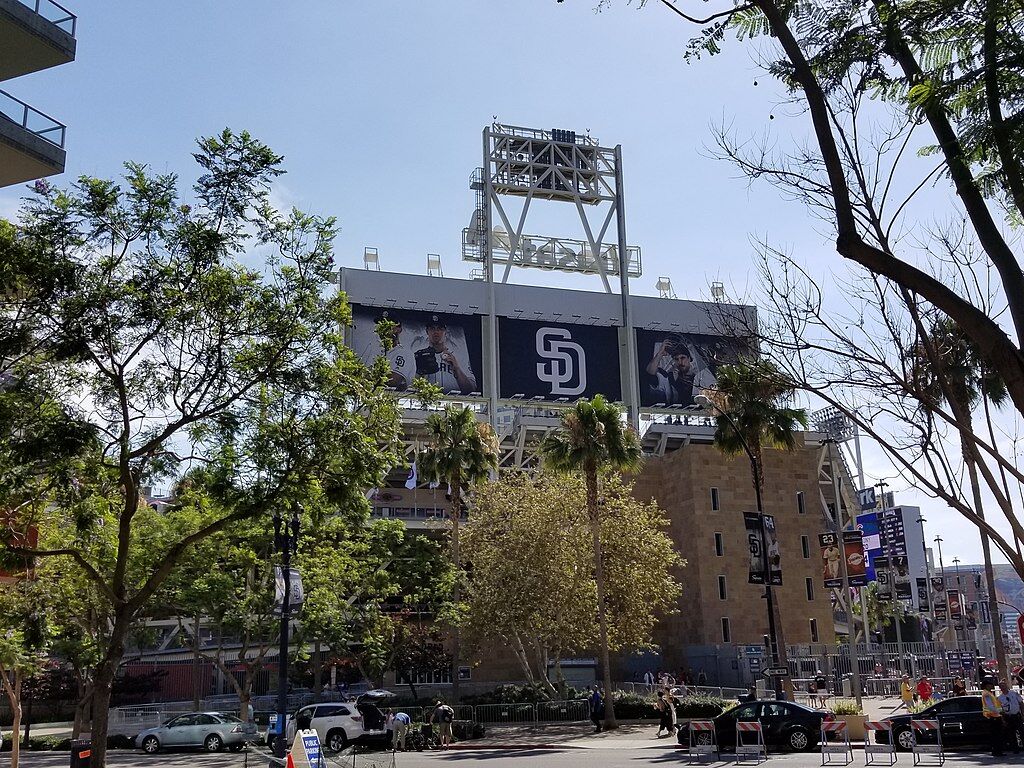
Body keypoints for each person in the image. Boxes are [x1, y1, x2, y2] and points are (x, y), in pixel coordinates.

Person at [643, 338, 715, 407]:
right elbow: (650, 374)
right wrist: (660, 354)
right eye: (676, 359)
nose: (680, 362)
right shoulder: (668, 377)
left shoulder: (700, 377)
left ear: (689, 358)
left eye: (683, 358)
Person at [414, 315, 476, 394]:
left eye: (440, 328)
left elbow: (471, 390)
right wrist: (420, 372)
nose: (436, 332)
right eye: (432, 328)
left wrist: (457, 369)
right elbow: (409, 388)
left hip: (452, 402)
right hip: (427, 401)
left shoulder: (458, 357)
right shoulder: (419, 356)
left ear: (445, 332)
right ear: (427, 331)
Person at [376, 311, 414, 390]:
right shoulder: (379, 353)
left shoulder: (404, 353)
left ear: (399, 329)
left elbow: (393, 381)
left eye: (388, 326)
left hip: (399, 400)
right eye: (381, 326)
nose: (384, 329)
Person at [982, 678, 1006, 757]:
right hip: (993, 716)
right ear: (986, 686)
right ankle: (997, 751)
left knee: (998, 735)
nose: (992, 686)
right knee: (996, 735)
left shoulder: (989, 693)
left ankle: (998, 750)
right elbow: (990, 706)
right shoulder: (986, 694)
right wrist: (999, 712)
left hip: (995, 716)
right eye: (990, 684)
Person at [999, 679, 1023, 754]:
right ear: (1000, 688)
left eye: (1004, 685)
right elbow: (1001, 710)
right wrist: (1003, 720)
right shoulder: (1000, 698)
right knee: (1011, 734)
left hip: (1017, 715)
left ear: (1007, 686)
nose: (1003, 687)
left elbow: (1021, 703)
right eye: (1001, 686)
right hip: (1008, 717)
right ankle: (1015, 749)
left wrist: (1023, 714)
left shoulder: (1014, 693)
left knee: (1022, 732)